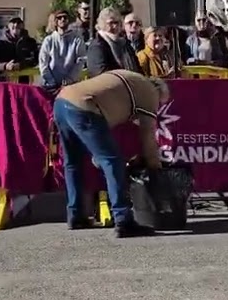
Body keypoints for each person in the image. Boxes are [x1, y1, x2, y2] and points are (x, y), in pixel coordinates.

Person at [54, 69, 170, 238]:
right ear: (159, 92)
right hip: (85, 106)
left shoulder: (130, 79)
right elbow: (148, 138)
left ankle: (75, 215)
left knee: (73, 162)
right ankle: (123, 220)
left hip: (62, 101)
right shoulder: (150, 93)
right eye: (160, 103)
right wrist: (155, 167)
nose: (156, 107)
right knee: (114, 162)